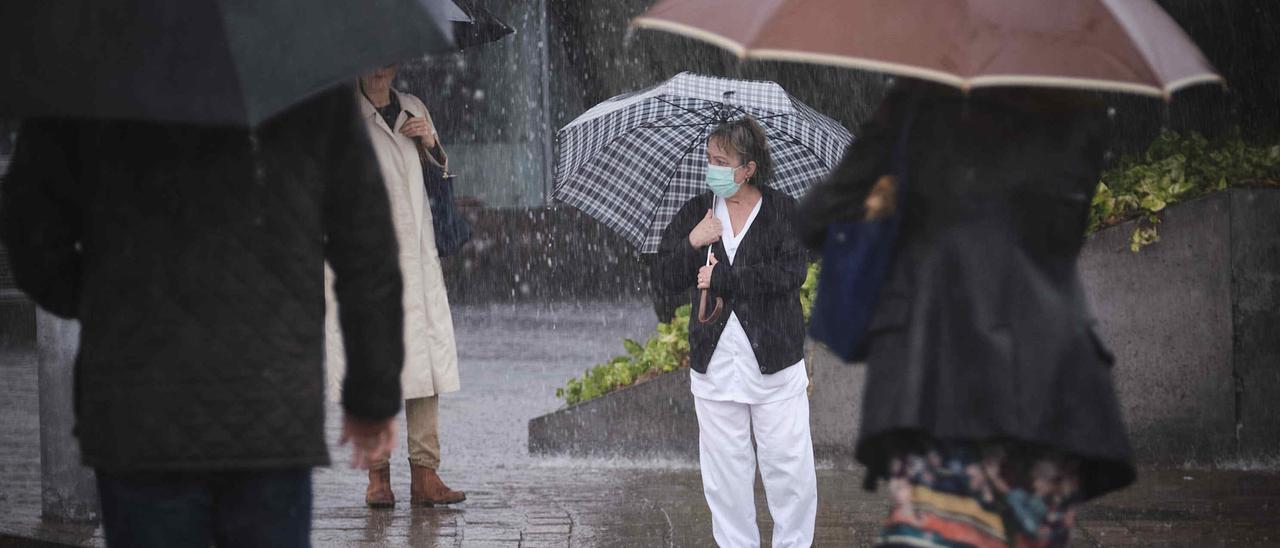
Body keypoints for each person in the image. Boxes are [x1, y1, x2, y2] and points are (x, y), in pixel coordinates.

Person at [0, 85, 404, 547]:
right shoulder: (301, 74)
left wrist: (106, 305)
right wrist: (372, 398)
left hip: (140, 413)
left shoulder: (93, 71)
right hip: (270, 408)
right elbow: (367, 250)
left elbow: (31, 234)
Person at [799, 81, 1136, 547]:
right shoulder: (1076, 106)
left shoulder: (919, 102)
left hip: (944, 380)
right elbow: (1060, 236)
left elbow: (818, 217)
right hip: (1056, 382)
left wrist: (888, 195)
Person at [654, 117, 816, 548]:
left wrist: (725, 278)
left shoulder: (783, 212)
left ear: (748, 168)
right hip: (716, 369)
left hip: (775, 364)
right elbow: (665, 278)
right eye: (709, 159)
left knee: (789, 473)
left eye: (722, 161)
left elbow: (790, 274)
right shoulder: (699, 212)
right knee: (725, 479)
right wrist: (692, 242)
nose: (713, 168)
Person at [324, 62, 464, 508]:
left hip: (417, 258)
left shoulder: (413, 107)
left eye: (387, 59)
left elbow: (439, 181)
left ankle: (426, 474)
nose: (379, 69)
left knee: (424, 368)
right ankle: (377, 476)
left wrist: (431, 144)